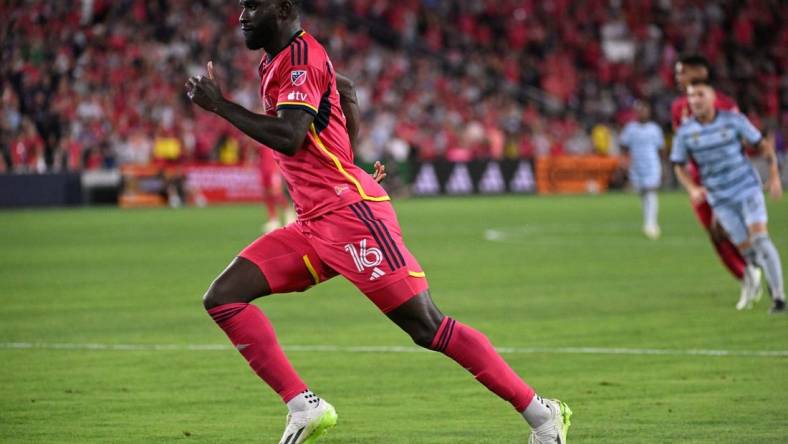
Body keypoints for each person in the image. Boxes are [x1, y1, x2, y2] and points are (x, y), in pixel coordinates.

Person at [184, 1, 571, 443]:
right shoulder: (278, 60)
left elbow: (291, 137)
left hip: (351, 219)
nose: (243, 15)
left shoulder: (299, 58)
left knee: (428, 327)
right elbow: (343, 90)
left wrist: (221, 107)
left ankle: (543, 416)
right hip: (313, 224)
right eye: (241, 6)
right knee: (223, 298)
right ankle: (303, 407)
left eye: (254, 5)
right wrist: (348, 155)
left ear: (284, 8)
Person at [672, 79, 784, 314]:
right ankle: (766, 278)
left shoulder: (733, 121)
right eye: (691, 96)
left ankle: (779, 298)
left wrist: (774, 177)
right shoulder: (685, 133)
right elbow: (678, 166)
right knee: (747, 250)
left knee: (761, 240)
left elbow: (763, 146)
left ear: (713, 98)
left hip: (747, 189)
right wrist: (692, 188)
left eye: (700, 94)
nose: (695, 100)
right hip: (720, 199)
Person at [620, 100, 665, 239]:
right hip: (637, 166)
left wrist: (663, 166)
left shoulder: (654, 129)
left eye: (644, 110)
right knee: (642, 193)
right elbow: (624, 146)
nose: (642, 113)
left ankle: (651, 224)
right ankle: (648, 221)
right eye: (639, 110)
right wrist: (625, 163)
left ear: (649, 112)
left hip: (652, 165)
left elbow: (661, 149)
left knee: (651, 191)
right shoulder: (630, 129)